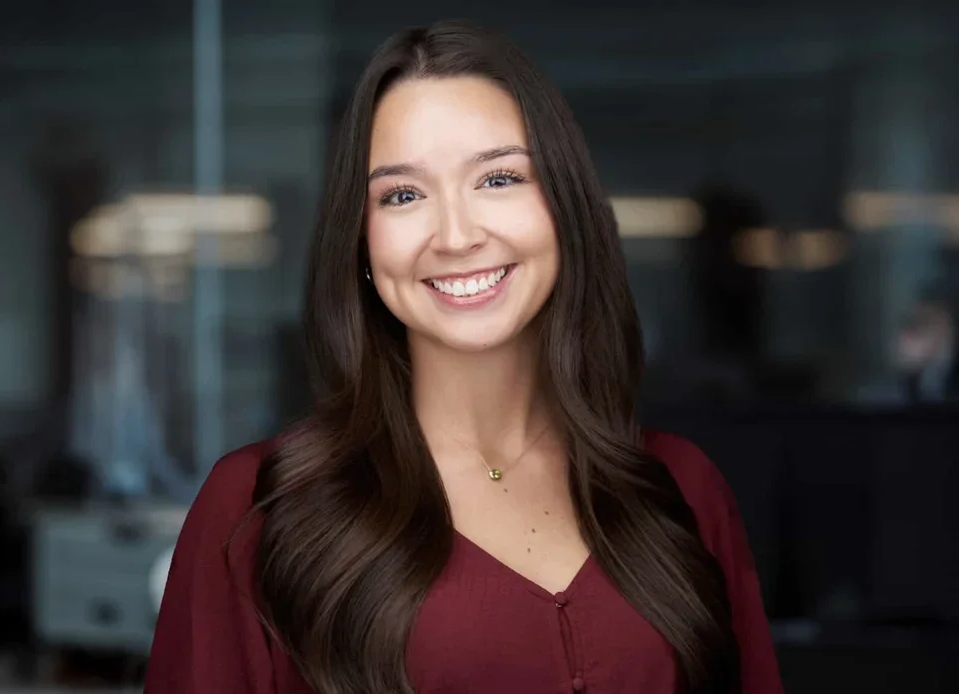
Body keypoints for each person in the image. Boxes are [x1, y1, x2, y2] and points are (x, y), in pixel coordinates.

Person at [145, 20, 783, 694]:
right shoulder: (256, 510)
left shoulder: (680, 489)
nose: (455, 234)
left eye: (499, 178)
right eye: (403, 195)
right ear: (361, 243)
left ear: (565, 208)